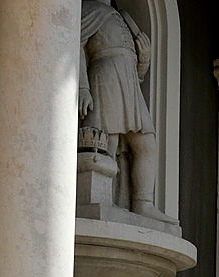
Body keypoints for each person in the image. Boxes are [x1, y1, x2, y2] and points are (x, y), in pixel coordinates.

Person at [79, 0, 175, 224]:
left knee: (146, 142)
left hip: (130, 83)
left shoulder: (121, 16)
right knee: (108, 142)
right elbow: (75, 45)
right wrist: (83, 87)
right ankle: (104, 200)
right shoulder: (90, 9)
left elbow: (138, 74)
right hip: (105, 76)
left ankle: (143, 203)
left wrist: (144, 59)